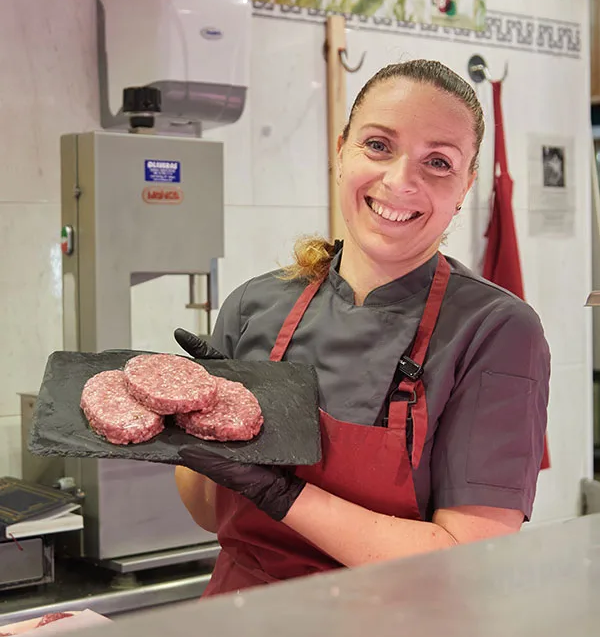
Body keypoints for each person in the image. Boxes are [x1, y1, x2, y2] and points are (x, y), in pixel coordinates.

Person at [173, 59, 550, 598]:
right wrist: (190, 430)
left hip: (394, 635)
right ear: (341, 151)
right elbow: (209, 514)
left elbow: (467, 559)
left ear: (465, 186)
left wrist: (281, 494)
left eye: (438, 162)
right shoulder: (253, 305)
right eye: (378, 145)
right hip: (238, 623)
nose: (400, 181)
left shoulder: (496, 330)